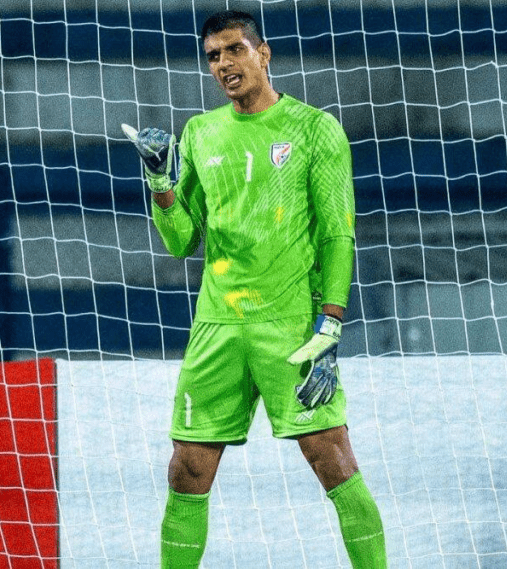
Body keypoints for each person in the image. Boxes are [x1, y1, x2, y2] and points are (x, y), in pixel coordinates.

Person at [122, 10, 387, 568]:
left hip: (289, 324)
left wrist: (331, 323)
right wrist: (160, 182)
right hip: (217, 327)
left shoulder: (315, 128)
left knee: (333, 462)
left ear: (263, 54)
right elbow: (181, 241)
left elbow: (339, 234)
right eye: (214, 56)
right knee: (187, 470)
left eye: (235, 50)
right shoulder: (200, 131)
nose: (224, 64)